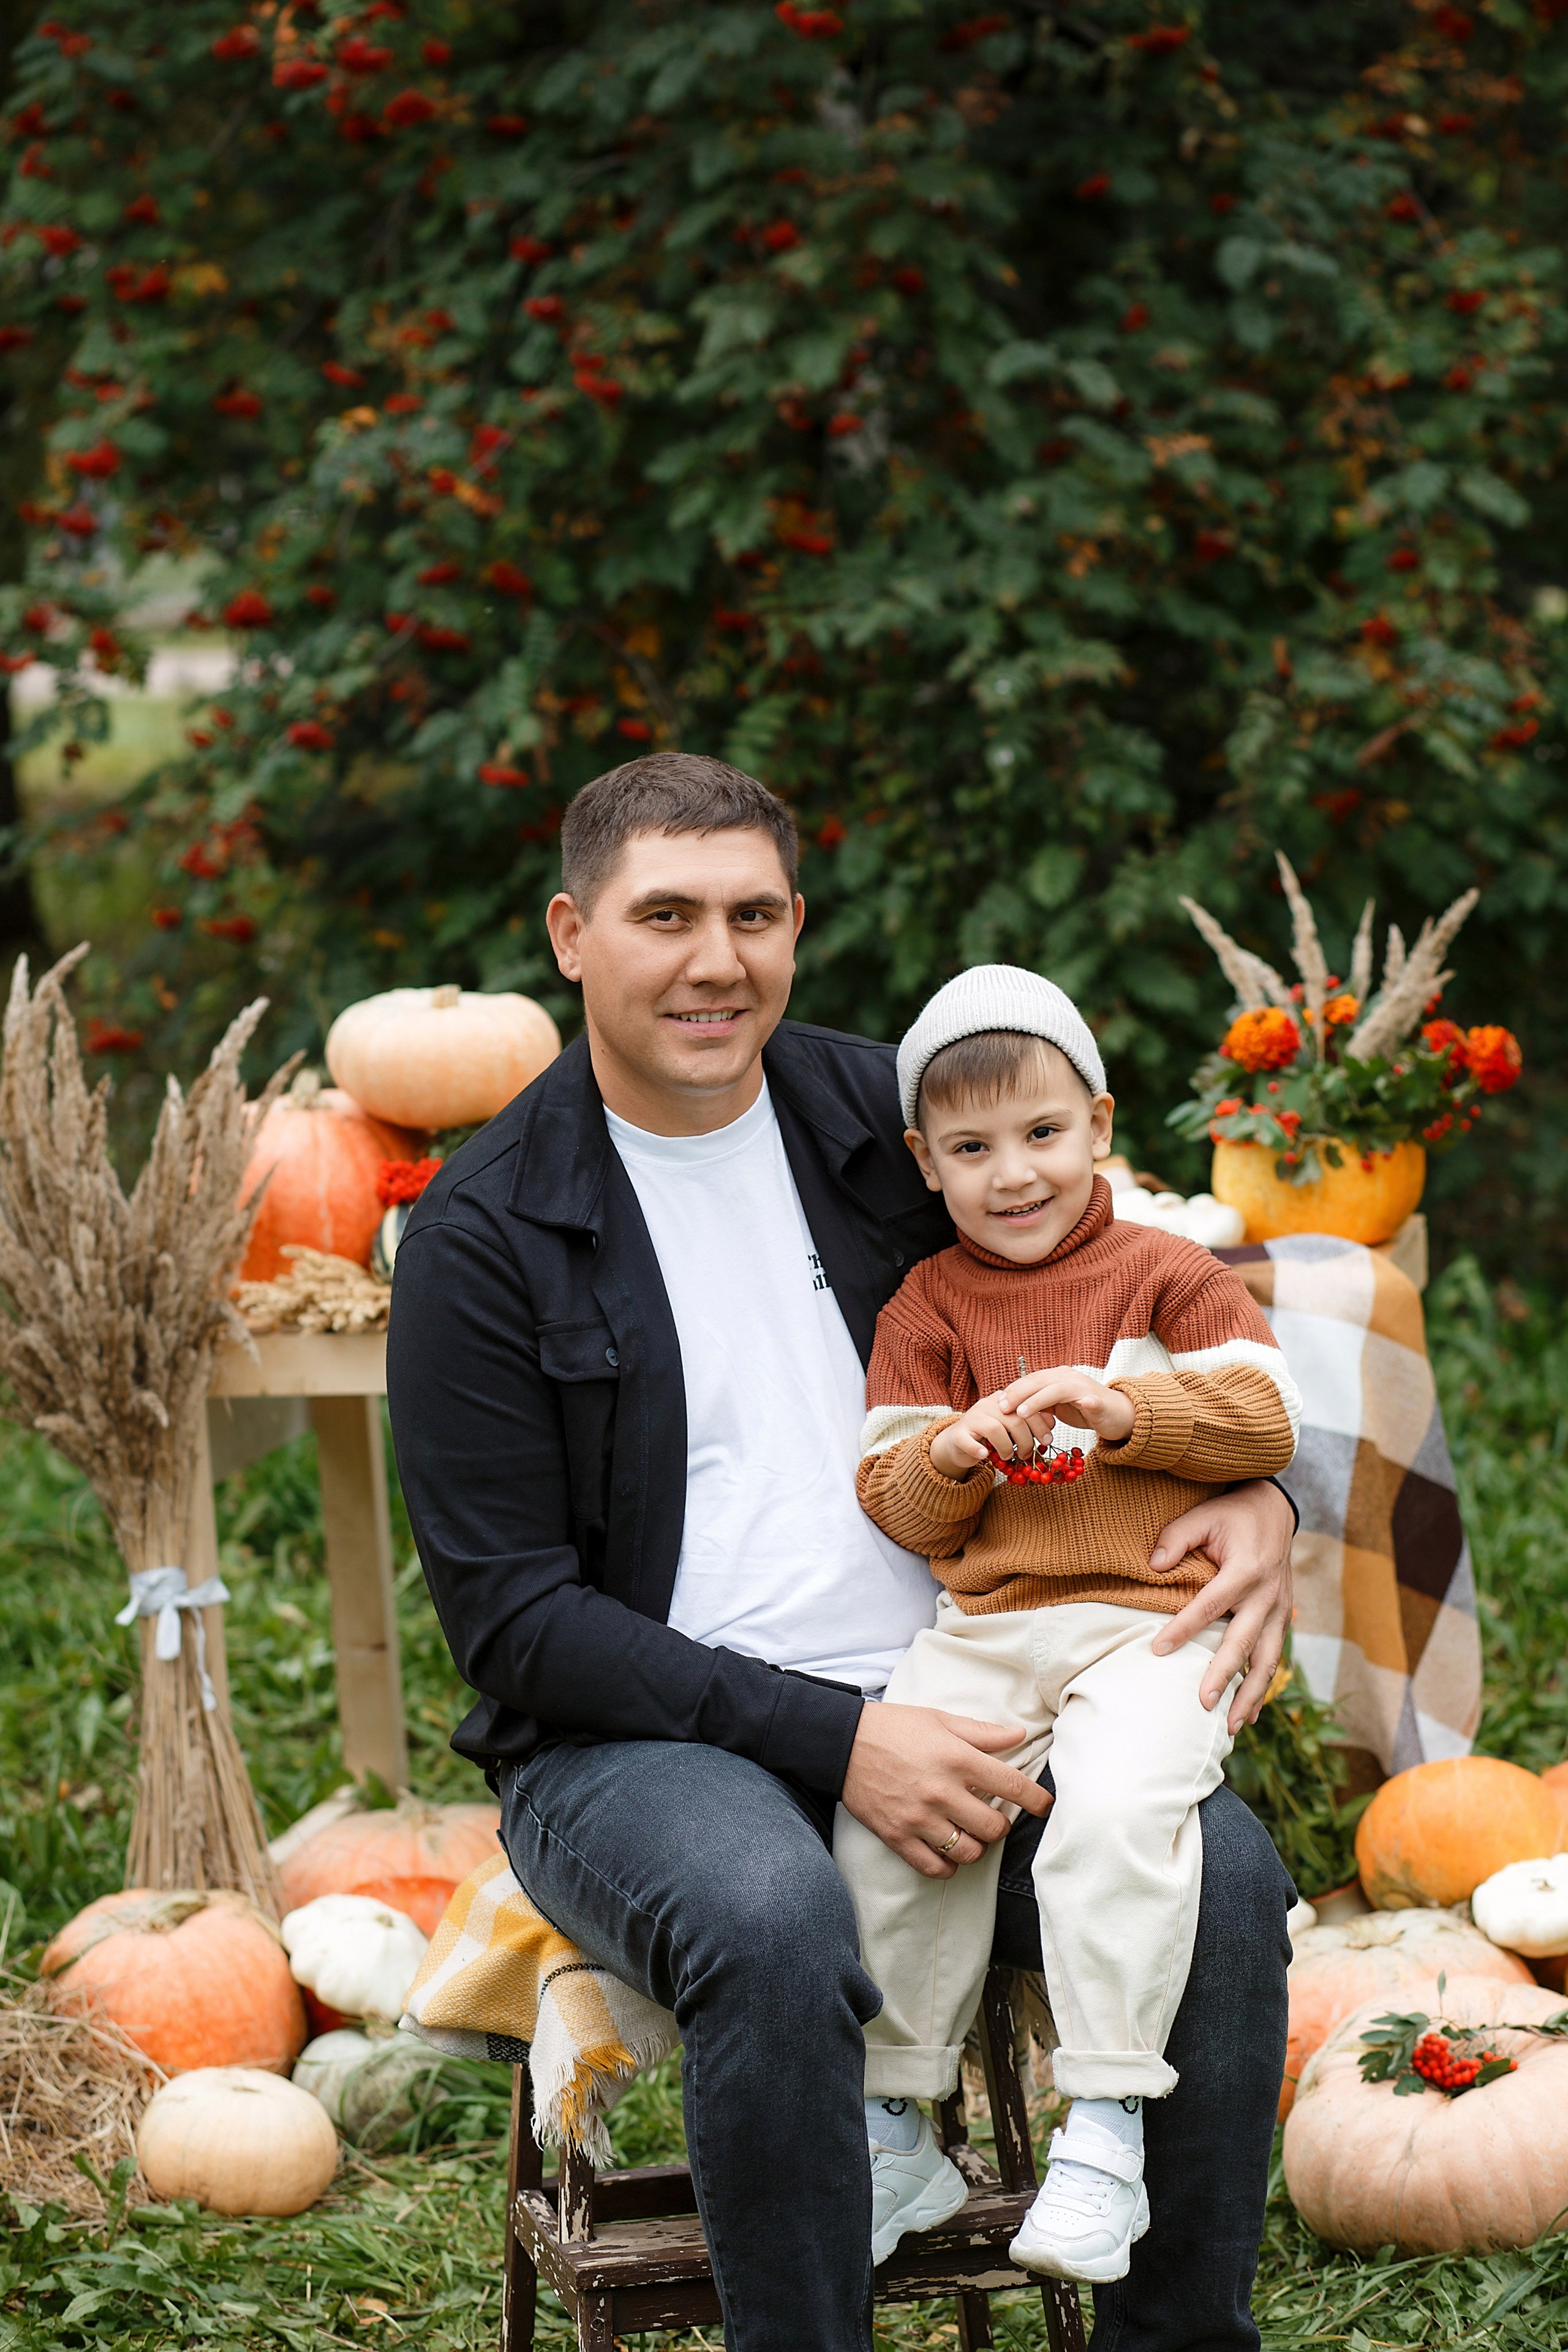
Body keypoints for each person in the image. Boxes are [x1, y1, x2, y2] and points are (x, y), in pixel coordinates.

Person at [385, 752, 1298, 2352]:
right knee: (770, 1915)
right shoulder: (483, 1236)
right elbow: (516, 1626)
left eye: (752, 915)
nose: (715, 960)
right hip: (638, 1744)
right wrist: (841, 1740)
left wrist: (1266, 1498)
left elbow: (1154, 1267)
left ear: (797, 926)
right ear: (572, 937)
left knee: (1225, 1883)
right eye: (665, 916)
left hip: (984, 1669)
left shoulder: (894, 1116)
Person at [831, 967, 1300, 2286]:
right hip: (986, 1629)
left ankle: (1104, 2123)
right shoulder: (925, 1308)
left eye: (1041, 1133)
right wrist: (953, 1454)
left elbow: (1266, 1420)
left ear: (1097, 1125)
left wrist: (1125, 1412)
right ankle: (894, 2121)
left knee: (1118, 1812)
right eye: (971, 1149)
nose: (1013, 1173)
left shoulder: (1170, 1275)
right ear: (926, 1162)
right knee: (898, 1825)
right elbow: (893, 1495)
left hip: (1149, 1623)